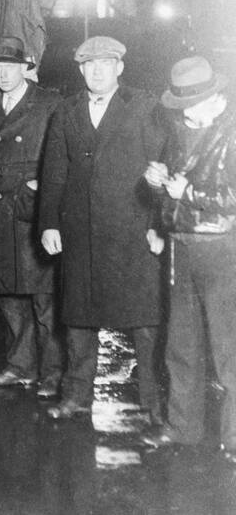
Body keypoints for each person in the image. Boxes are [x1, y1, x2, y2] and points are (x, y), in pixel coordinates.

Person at [38, 36, 169, 421]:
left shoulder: (144, 107)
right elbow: (54, 172)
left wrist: (158, 225)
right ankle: (75, 396)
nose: (97, 70)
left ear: (120, 68)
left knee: (144, 321)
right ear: (80, 70)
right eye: (89, 65)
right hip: (79, 233)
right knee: (78, 318)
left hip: (132, 230)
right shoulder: (66, 111)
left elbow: (160, 168)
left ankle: (153, 404)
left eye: (105, 63)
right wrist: (48, 223)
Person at [143, 56, 236, 463]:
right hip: (181, 248)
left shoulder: (233, 135)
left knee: (228, 349)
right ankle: (183, 428)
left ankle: (234, 438)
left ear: (216, 99)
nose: (185, 114)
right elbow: (175, 187)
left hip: (222, 252)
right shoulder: (181, 132)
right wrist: (159, 185)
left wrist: (187, 194)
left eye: (192, 105)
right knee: (180, 345)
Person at [0, 35, 63, 396]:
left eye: (12, 66)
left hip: (35, 213)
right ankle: (22, 366)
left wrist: (40, 189)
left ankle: (53, 373)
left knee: (45, 298)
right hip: (0, 214)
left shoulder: (49, 104)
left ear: (27, 67)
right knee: (9, 297)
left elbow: (61, 154)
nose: (4, 74)